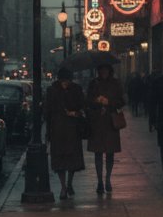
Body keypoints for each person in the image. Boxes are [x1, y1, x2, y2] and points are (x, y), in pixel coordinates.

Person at [45, 64, 86, 199]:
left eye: (67, 80)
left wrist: (75, 113)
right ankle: (63, 187)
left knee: (72, 160)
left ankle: (69, 183)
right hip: (58, 129)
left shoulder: (76, 90)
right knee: (60, 161)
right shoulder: (52, 91)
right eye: (63, 80)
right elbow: (48, 111)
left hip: (72, 129)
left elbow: (82, 107)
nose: (65, 83)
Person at [87, 60, 125, 195]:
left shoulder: (115, 84)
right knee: (98, 153)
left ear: (109, 71)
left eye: (106, 70)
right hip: (97, 122)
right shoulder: (93, 84)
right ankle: (99, 181)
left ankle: (108, 178)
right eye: (101, 70)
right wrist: (97, 102)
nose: (103, 73)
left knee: (110, 153)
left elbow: (122, 101)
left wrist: (109, 102)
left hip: (110, 122)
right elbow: (88, 102)